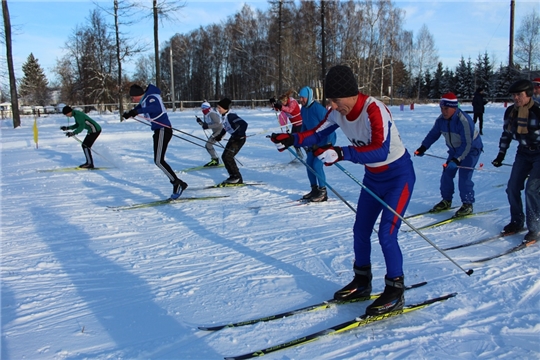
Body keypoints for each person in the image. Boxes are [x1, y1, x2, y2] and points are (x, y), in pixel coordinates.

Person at [271, 65, 416, 316]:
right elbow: (316, 134)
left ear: (351, 94)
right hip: (373, 178)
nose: (334, 106)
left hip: (398, 177)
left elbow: (380, 149)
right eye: (331, 101)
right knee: (360, 230)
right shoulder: (336, 112)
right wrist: (292, 139)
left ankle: (395, 291)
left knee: (386, 234)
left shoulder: (374, 109)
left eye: (337, 100)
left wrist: (342, 153)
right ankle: (362, 282)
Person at [415, 92, 483, 217]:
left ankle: (467, 204)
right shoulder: (441, 120)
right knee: (447, 173)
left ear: (454, 108)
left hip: (471, 149)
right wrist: (423, 147)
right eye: (441, 108)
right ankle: (446, 200)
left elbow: (467, 144)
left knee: (464, 176)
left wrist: (456, 160)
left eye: (446, 108)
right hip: (455, 150)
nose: (443, 111)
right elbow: (433, 134)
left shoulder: (464, 120)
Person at [492, 79, 540, 242]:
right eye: (513, 95)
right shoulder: (511, 112)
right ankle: (516, 221)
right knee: (512, 187)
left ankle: (535, 227)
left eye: (519, 95)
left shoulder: (538, 111)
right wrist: (501, 155)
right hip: (523, 153)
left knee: (532, 189)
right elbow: (506, 134)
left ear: (529, 94)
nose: (516, 98)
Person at [122, 84, 187, 200]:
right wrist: (130, 113)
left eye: (133, 97)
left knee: (158, 160)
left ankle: (177, 183)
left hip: (163, 130)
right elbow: (138, 108)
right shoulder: (145, 100)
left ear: (137, 95)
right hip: (158, 131)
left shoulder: (151, 97)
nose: (132, 99)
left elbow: (154, 108)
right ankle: (178, 183)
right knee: (158, 160)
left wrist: (136, 112)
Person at [297, 86, 336, 202]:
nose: (301, 100)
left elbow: (330, 126)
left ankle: (323, 192)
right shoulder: (303, 109)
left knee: (317, 165)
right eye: (300, 98)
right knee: (309, 164)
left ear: (309, 97)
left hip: (326, 141)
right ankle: (314, 189)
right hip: (313, 142)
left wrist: (327, 144)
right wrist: (300, 138)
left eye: (303, 97)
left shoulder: (318, 109)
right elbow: (304, 125)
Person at [214, 98, 248, 185]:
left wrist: (240, 134)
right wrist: (220, 136)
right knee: (224, 156)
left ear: (225, 108)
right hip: (234, 137)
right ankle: (233, 176)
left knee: (228, 157)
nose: (218, 110)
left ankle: (237, 177)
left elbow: (244, 124)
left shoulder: (231, 116)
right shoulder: (224, 116)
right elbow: (225, 127)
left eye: (219, 108)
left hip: (239, 139)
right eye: (217, 108)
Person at [270, 90, 304, 159]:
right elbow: (278, 109)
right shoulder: (285, 104)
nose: (282, 103)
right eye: (281, 103)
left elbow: (289, 110)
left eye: (283, 102)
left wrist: (280, 106)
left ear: (286, 100)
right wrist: (273, 103)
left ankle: (309, 154)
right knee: (294, 141)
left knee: (300, 140)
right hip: (294, 125)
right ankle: (300, 156)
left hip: (300, 124)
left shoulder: (292, 102)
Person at [196, 101, 224, 167]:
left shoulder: (212, 114)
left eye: (204, 108)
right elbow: (205, 125)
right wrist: (200, 122)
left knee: (208, 145)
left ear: (207, 108)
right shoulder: (206, 114)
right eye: (202, 109)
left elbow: (218, 123)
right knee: (208, 145)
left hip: (220, 131)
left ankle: (215, 160)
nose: (202, 110)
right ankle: (214, 159)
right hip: (215, 131)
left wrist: (208, 126)